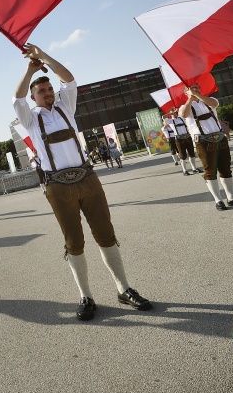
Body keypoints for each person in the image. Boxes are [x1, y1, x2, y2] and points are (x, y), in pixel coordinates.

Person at [14, 43, 152, 321]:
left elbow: (69, 79)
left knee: (106, 235)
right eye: (41, 91)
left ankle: (124, 289)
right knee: (74, 242)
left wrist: (44, 58)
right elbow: (17, 98)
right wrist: (30, 70)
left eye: (49, 89)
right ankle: (86, 296)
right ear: (34, 97)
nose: (48, 93)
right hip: (58, 186)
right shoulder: (30, 119)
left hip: (87, 178)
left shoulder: (66, 107)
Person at [179, 84, 233, 211]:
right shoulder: (185, 107)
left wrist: (196, 95)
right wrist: (191, 98)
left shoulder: (210, 100)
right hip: (203, 141)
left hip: (220, 138)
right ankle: (218, 200)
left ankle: (231, 198)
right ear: (185, 92)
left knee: (225, 168)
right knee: (210, 171)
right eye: (191, 88)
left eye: (197, 87)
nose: (195, 89)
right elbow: (184, 114)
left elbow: (213, 104)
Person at [169, 108, 202, 176]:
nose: (175, 113)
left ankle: (194, 169)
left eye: (175, 112)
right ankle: (185, 170)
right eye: (173, 112)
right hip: (179, 139)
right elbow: (163, 117)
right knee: (182, 155)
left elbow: (185, 114)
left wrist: (178, 111)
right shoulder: (170, 121)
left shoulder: (181, 118)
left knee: (192, 154)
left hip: (187, 137)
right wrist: (172, 113)